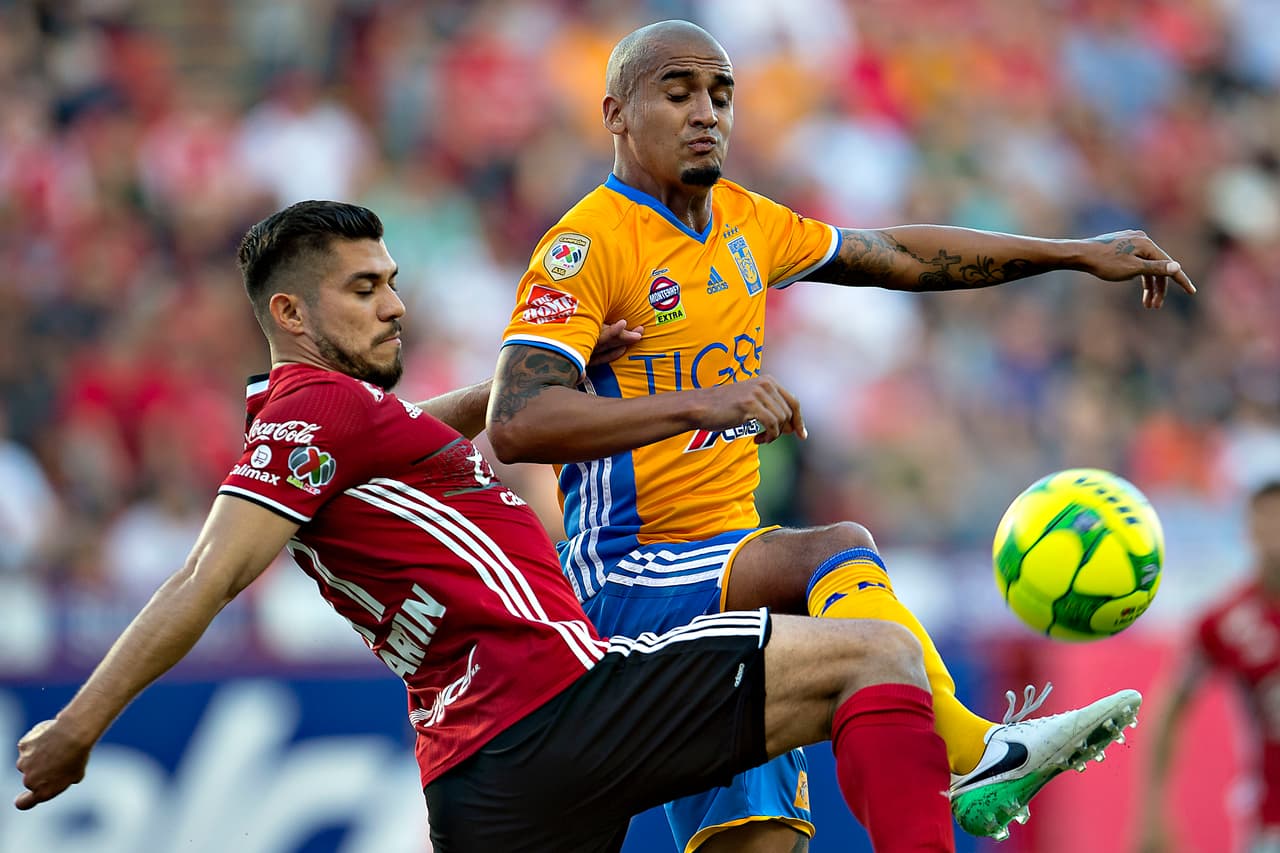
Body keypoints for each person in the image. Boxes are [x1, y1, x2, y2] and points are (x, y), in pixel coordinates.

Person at [13, 200, 959, 853]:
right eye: (365, 289)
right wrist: (78, 725)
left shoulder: (327, 422)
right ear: (290, 312)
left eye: (392, 280)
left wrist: (539, 378)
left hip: (478, 779)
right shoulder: (319, 413)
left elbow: (422, 427)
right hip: (551, 702)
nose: (396, 304)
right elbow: (205, 578)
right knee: (873, 652)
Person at [487, 19, 1189, 852]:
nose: (706, 111)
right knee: (838, 551)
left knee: (759, 841)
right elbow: (517, 420)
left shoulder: (747, 223)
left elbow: (892, 251)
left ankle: (975, 755)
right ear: (614, 111)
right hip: (630, 573)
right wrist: (699, 404)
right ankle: (971, 748)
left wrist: (1072, 253)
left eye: (720, 94)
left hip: (729, 582)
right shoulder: (584, 246)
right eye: (677, 94)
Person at [1139, 481, 1280, 853]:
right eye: (1265, 518)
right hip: (1270, 823)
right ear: (1247, 529)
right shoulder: (1226, 621)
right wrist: (1153, 810)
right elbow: (1171, 705)